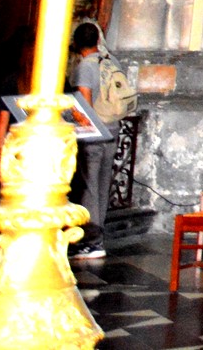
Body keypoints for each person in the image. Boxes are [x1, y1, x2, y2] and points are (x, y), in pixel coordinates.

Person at [66, 21, 120, 261]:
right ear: (98, 41)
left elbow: (84, 104)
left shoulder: (85, 67)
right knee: (102, 185)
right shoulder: (111, 62)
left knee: (89, 188)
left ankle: (91, 240)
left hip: (94, 133)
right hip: (113, 129)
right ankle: (99, 237)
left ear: (77, 44)